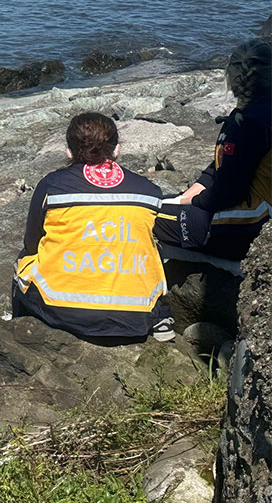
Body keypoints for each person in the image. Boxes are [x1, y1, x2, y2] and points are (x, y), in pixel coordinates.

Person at [14, 112, 174, 343]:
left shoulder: (52, 185)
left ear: (68, 151)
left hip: (63, 308)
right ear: (117, 149)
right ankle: (161, 316)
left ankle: (21, 333)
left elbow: (32, 243)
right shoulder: (148, 191)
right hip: (135, 312)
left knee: (25, 261)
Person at [154, 38, 271, 265]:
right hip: (254, 212)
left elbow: (228, 192)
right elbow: (224, 165)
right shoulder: (257, 112)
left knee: (144, 213)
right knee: (169, 202)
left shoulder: (250, 123)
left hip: (251, 223)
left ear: (231, 77)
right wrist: (193, 190)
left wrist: (195, 202)